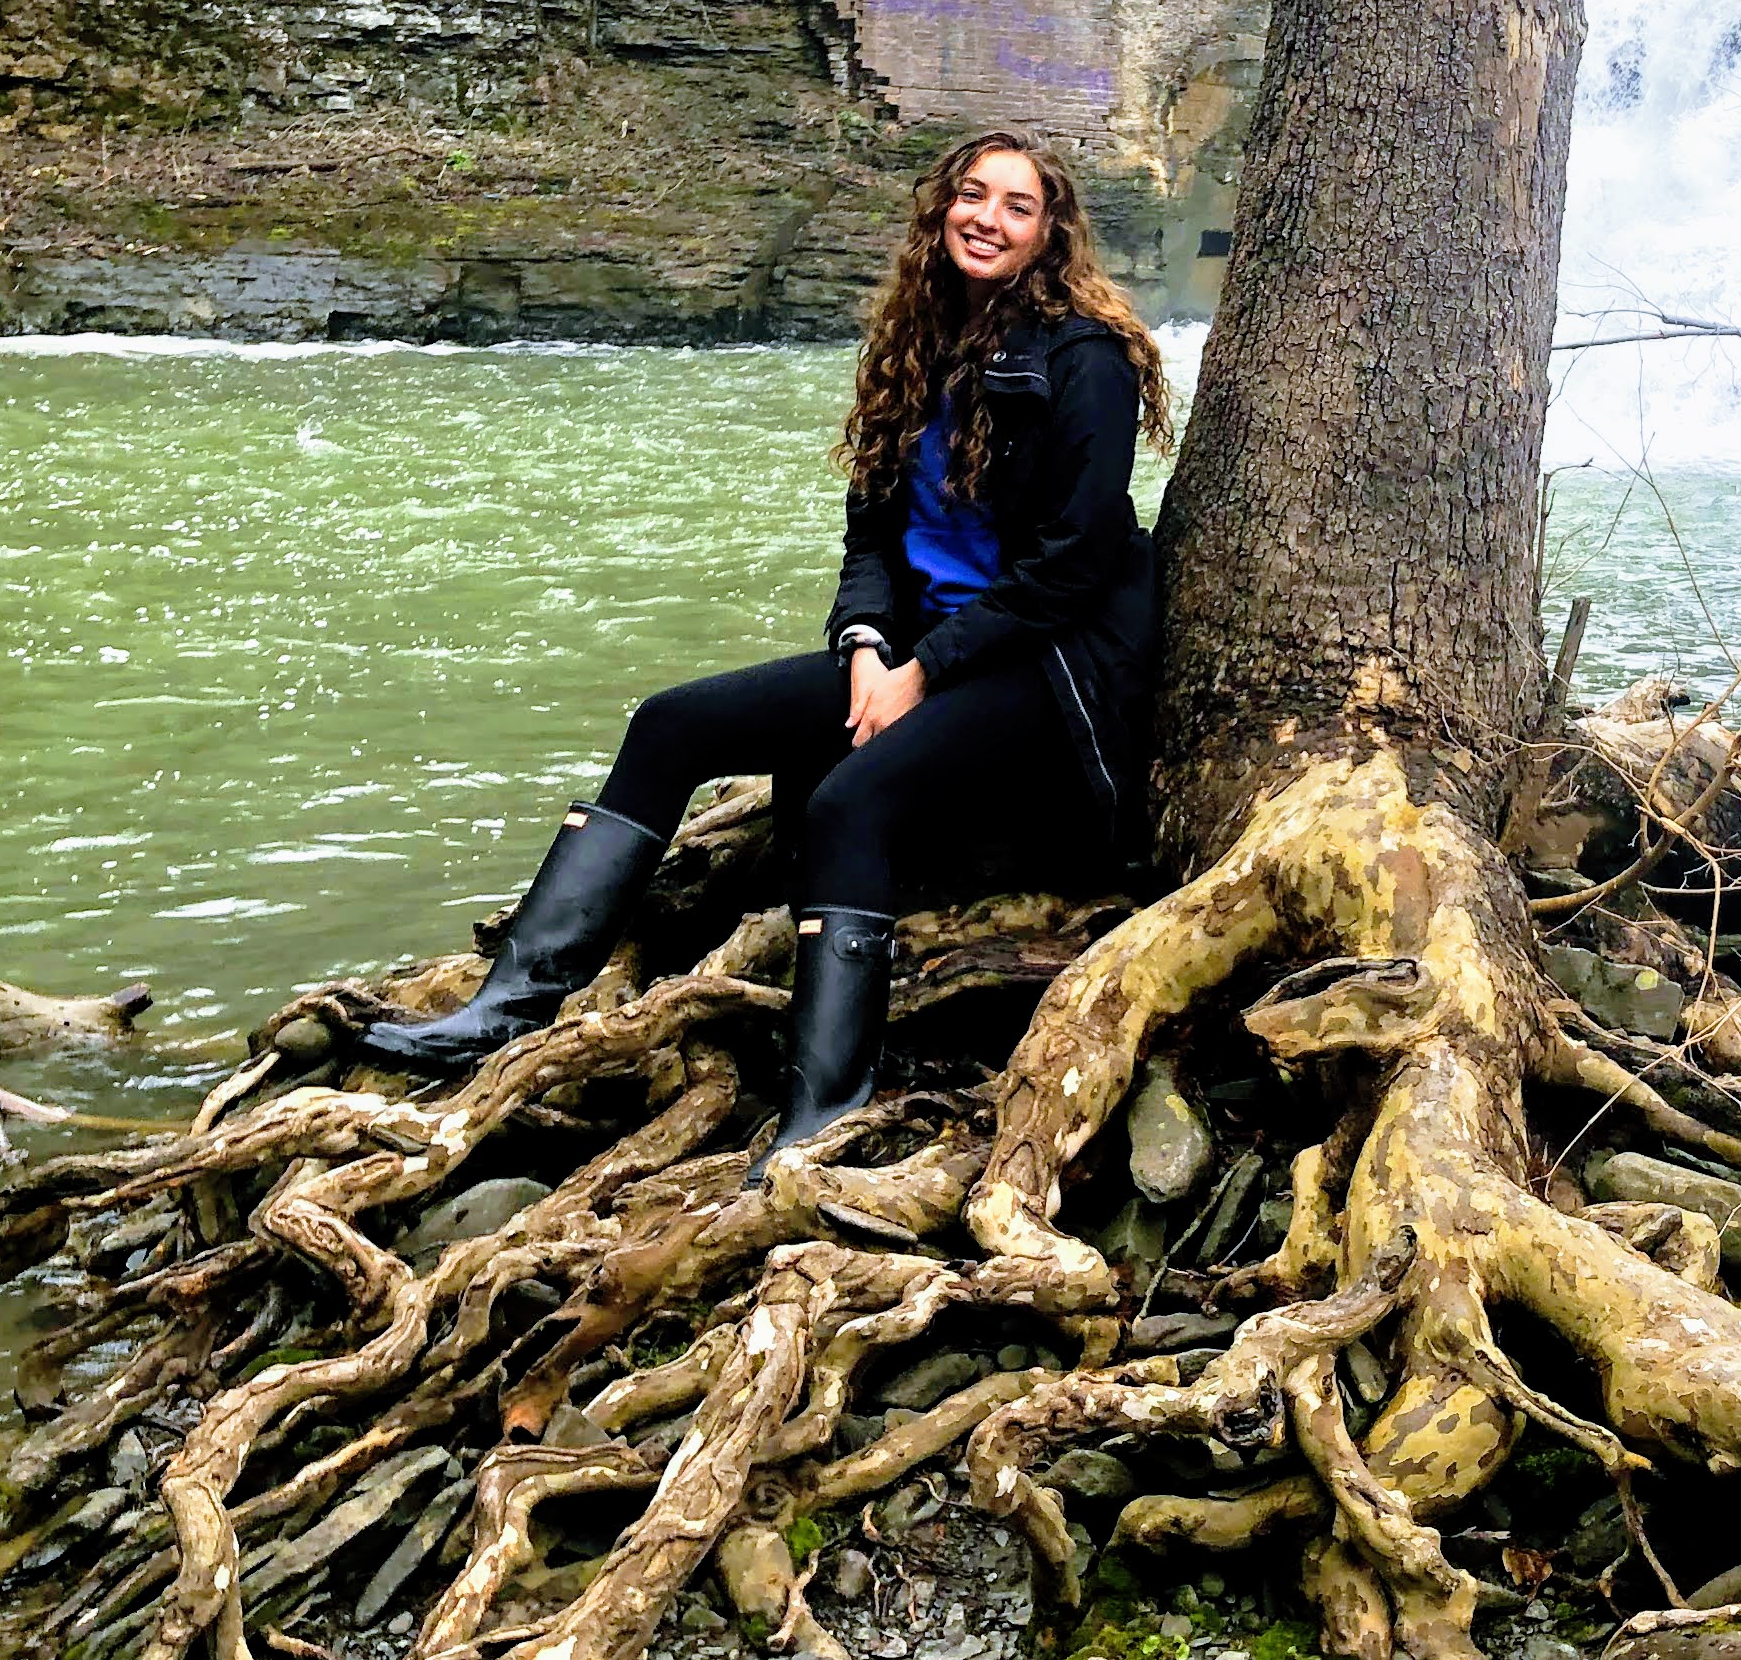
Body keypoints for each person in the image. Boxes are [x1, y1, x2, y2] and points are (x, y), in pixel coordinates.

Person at [356, 130, 1174, 1161]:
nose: (988, 218)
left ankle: (824, 1111)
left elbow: (1076, 558)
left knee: (849, 800)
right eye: (973, 195)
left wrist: (927, 670)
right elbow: (870, 539)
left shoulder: (1082, 356)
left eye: (1017, 205)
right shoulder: (915, 347)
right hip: (922, 645)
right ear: (941, 209)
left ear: (1050, 231)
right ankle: (513, 1007)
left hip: (1048, 666)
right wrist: (871, 646)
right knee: (670, 725)